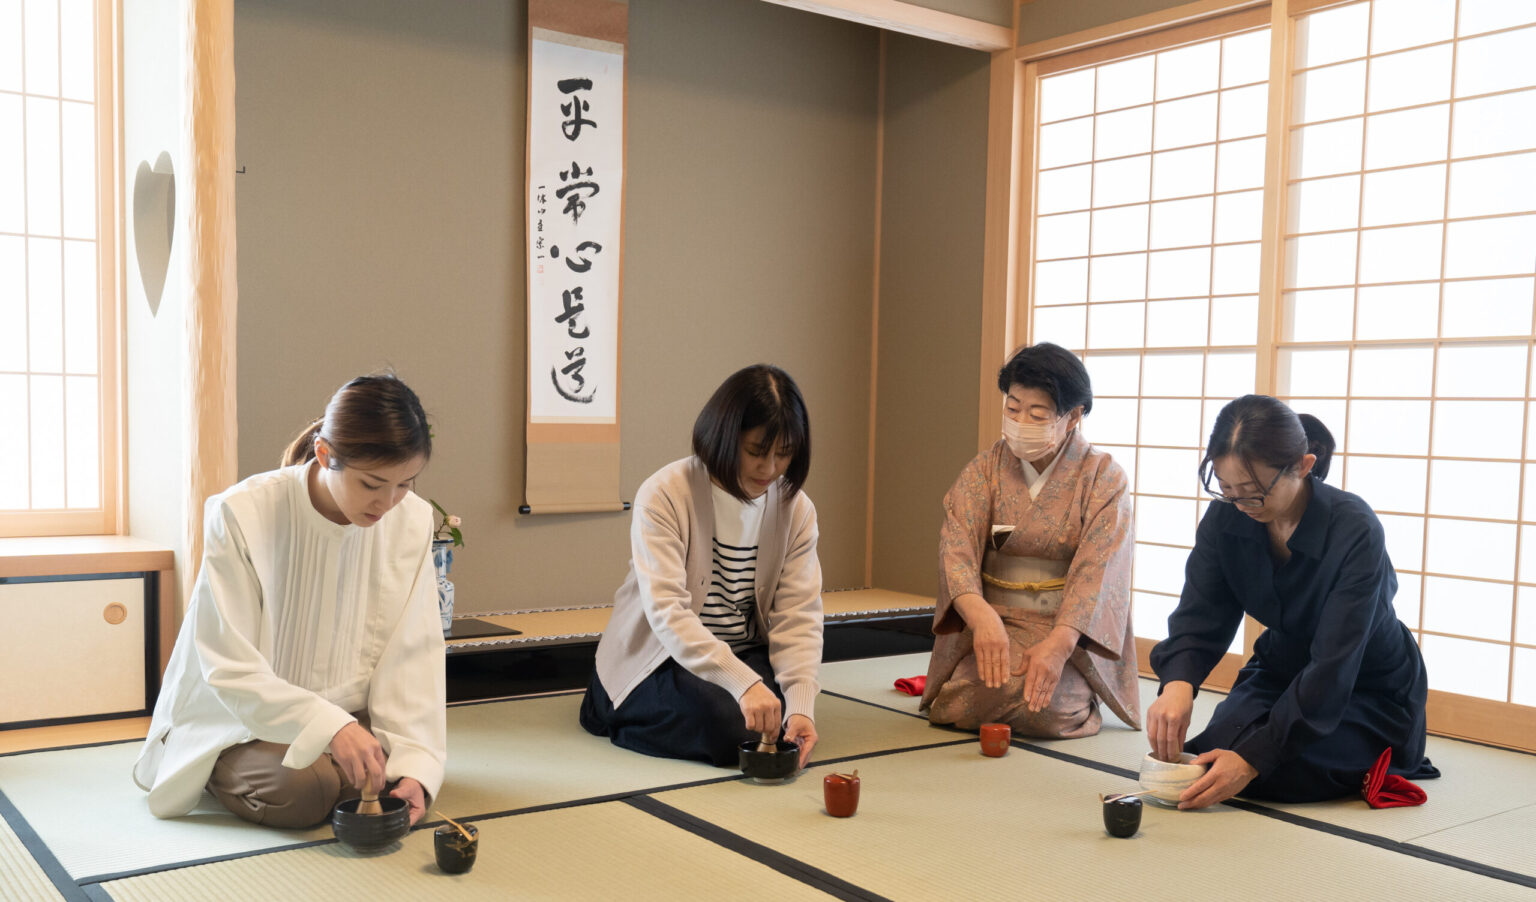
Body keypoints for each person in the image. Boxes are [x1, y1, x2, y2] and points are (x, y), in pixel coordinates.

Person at [134, 374, 447, 828]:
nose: (388, 502)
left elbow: (414, 653)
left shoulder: (413, 520)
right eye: (372, 484)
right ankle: (210, 768)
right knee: (306, 790)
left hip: (348, 713)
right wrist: (333, 727)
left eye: (404, 484)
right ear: (325, 455)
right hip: (241, 717)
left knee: (396, 774)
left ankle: (347, 761)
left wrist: (416, 767)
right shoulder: (242, 512)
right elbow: (230, 668)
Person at [1147, 394, 1439, 809]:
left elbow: (1335, 662)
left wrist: (1252, 760)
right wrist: (1178, 685)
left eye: (1253, 492)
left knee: (1269, 769)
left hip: (1365, 685)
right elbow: (1201, 613)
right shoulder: (1226, 518)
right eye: (1227, 489)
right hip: (1280, 670)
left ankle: (1387, 749)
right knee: (1210, 753)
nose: (1240, 505)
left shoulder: (1354, 528)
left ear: (1303, 466)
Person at [580, 364, 823, 768]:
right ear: (726, 437)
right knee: (732, 728)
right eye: (756, 451)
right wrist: (743, 684)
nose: (769, 469)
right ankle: (608, 707)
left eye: (784, 453)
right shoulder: (664, 494)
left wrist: (801, 706)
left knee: (779, 719)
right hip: (661, 655)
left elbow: (798, 616)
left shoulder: (796, 509)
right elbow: (668, 613)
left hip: (739, 651)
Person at [922, 343, 1140, 738]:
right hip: (994, 624)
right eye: (1013, 408)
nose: (1021, 421)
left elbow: (1098, 573)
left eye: (1037, 413)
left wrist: (1059, 644)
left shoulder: (1104, 479)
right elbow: (956, 552)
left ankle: (1077, 689)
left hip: (1063, 628)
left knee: (1051, 710)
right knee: (957, 703)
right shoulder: (984, 470)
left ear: (1073, 416)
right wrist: (981, 617)